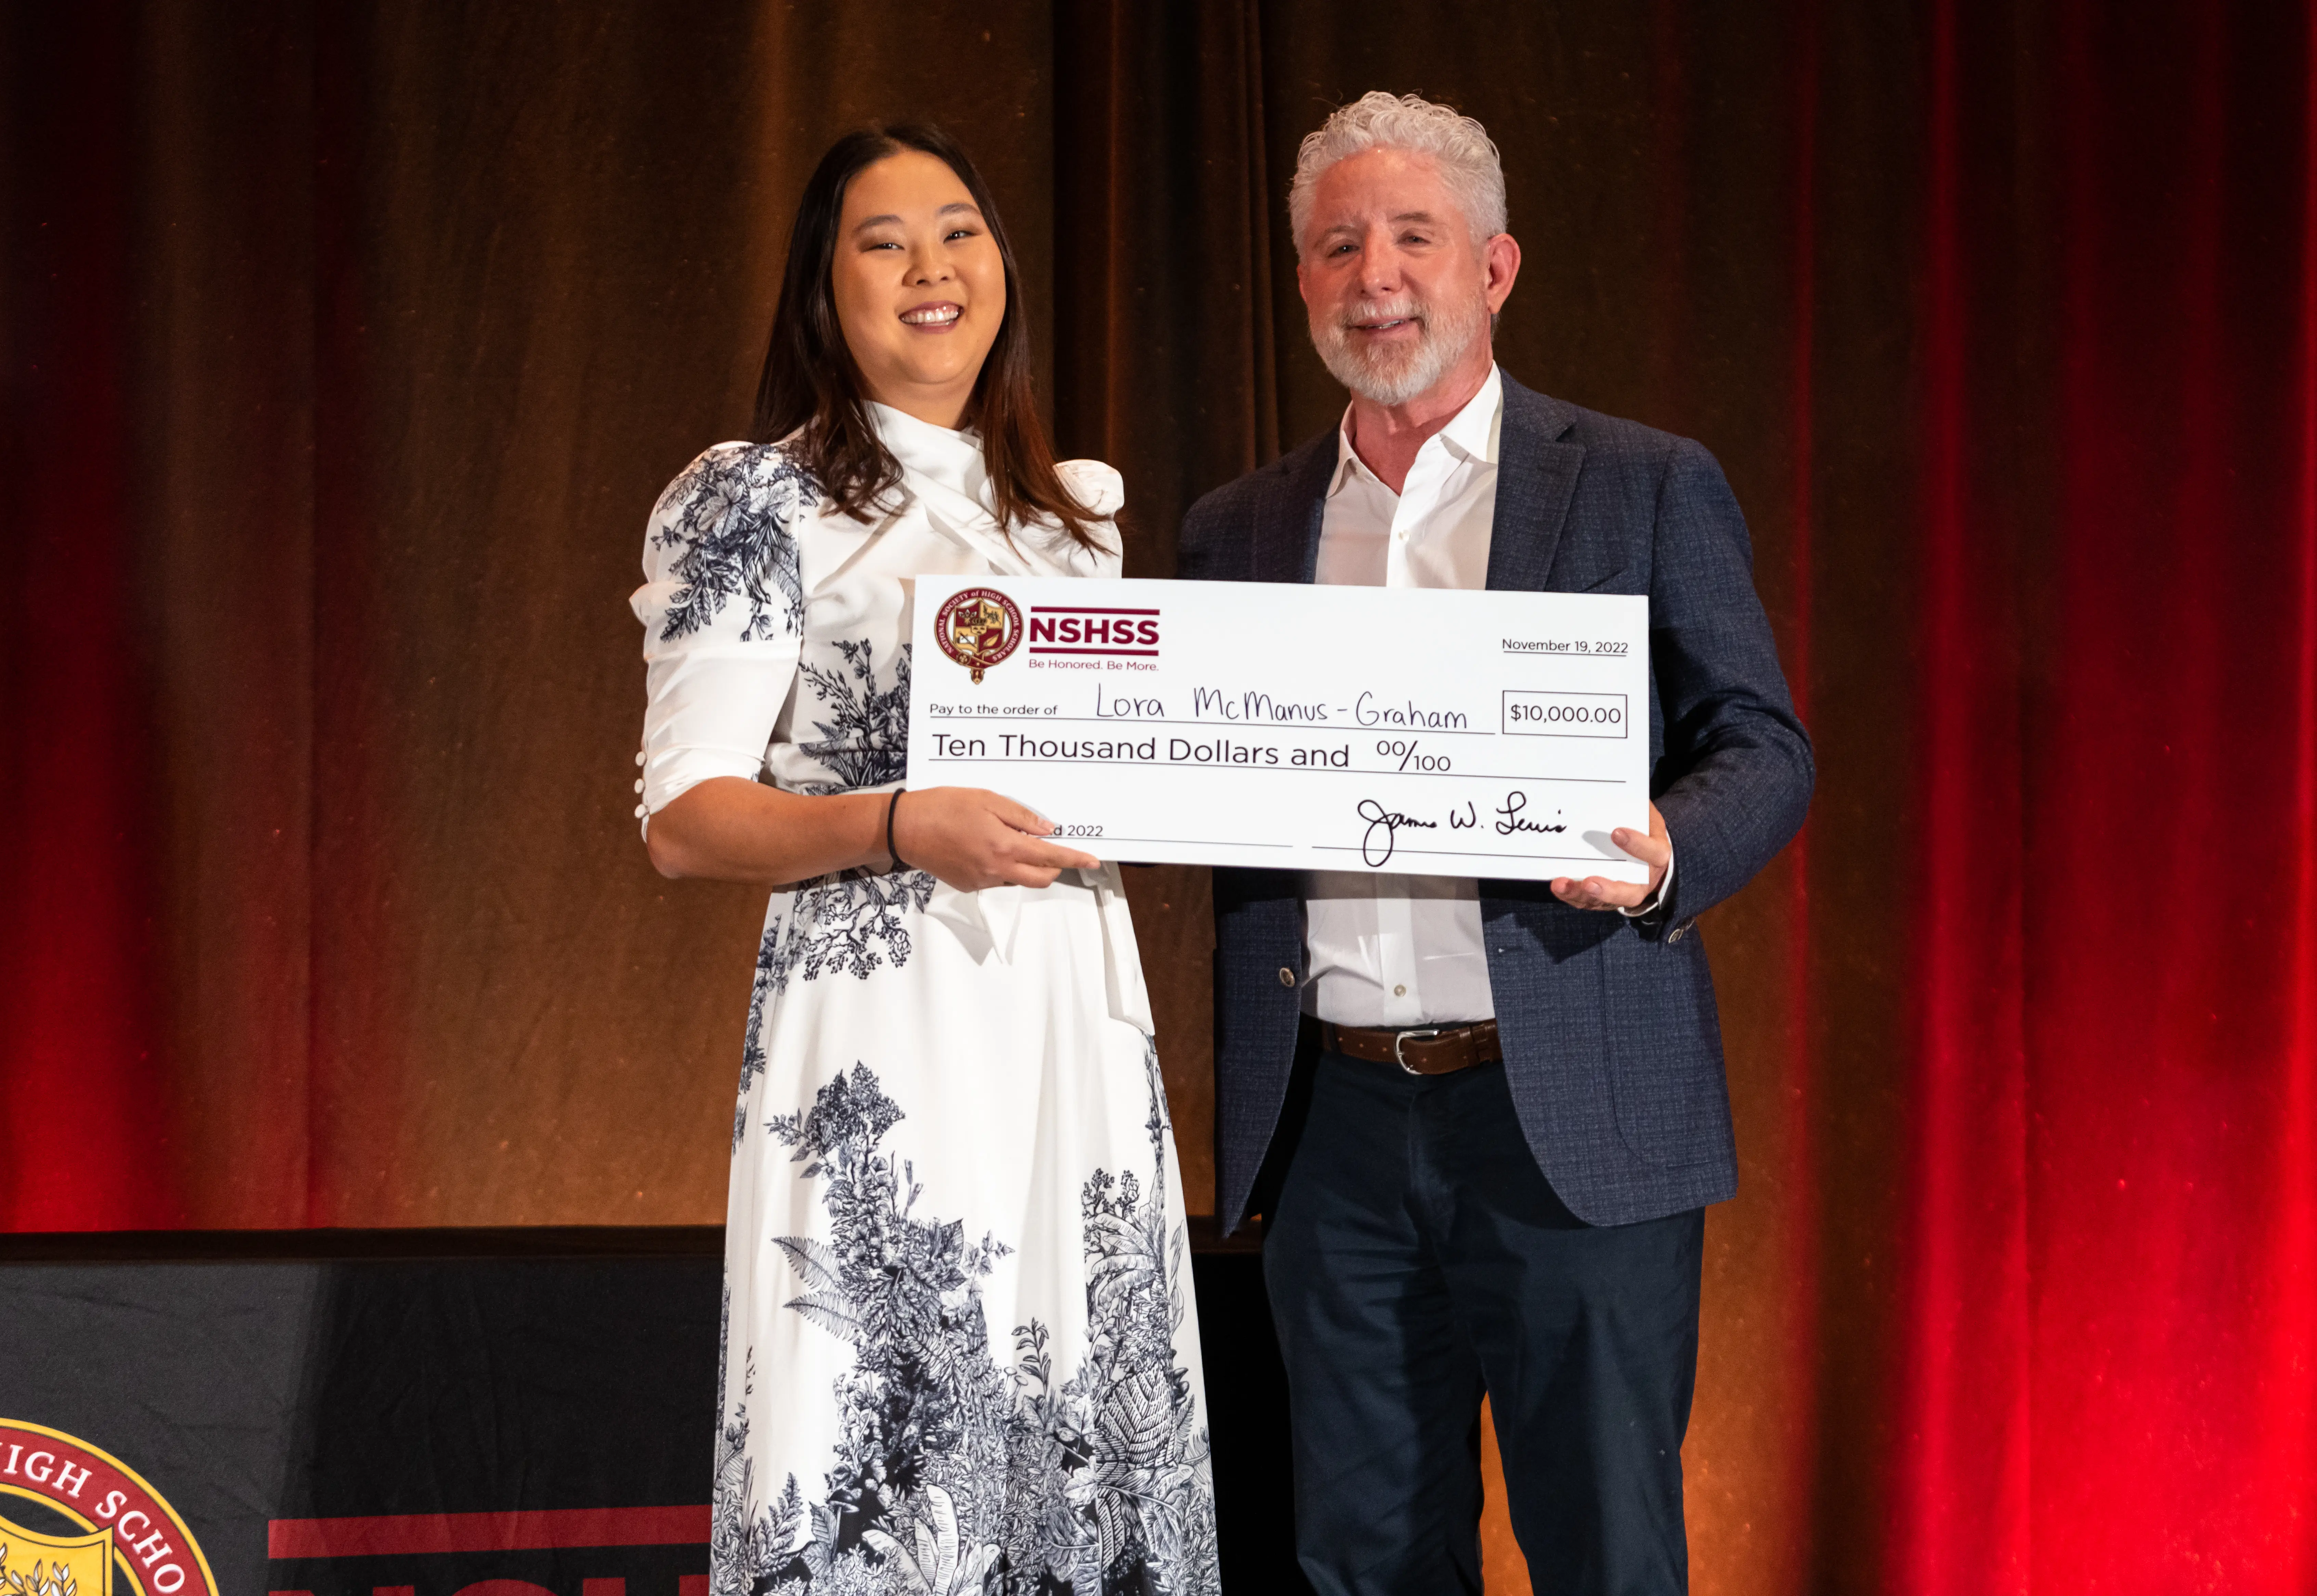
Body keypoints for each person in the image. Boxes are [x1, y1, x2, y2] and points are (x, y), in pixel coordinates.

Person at [1179, 93, 1813, 1596]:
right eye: (1338, 246)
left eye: (1413, 236)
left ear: (1495, 267)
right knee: (1361, 1562)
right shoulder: (1236, 530)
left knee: (1603, 1549)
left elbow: (1765, 748)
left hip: (1569, 1117)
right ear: (1302, 285)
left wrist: (1663, 846)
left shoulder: (1642, 482)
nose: (1375, 274)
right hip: (1327, 1132)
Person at [633, 124, 1219, 1595]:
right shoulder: (757, 503)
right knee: (890, 1446)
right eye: (881, 242)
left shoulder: (1069, 519)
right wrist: (901, 820)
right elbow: (685, 818)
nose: (930, 268)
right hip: (888, 1039)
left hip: (1072, 1025)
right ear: (822, 291)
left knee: (1085, 1447)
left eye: (957, 231)